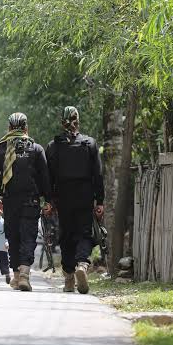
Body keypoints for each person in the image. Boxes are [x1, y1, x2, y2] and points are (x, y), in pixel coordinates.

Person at [0, 113, 51, 292]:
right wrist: (48, 199)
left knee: (13, 236)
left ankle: (16, 275)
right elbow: (45, 177)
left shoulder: (1, 148)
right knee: (28, 237)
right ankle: (24, 274)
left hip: (9, 201)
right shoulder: (36, 149)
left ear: (9, 128)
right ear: (26, 128)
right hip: (31, 200)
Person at [46, 106, 104, 294]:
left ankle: (69, 278)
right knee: (84, 233)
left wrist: (49, 200)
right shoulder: (89, 144)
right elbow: (98, 175)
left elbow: (49, 177)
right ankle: (81, 264)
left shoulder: (53, 146)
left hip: (63, 198)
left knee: (66, 236)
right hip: (85, 196)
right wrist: (100, 201)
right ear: (77, 121)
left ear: (61, 122)